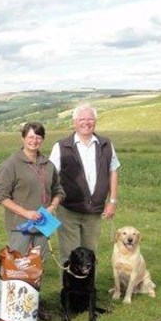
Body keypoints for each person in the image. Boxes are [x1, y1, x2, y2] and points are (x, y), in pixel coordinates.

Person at [48, 103, 120, 267]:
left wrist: (112, 202)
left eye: (90, 119)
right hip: (68, 210)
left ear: (95, 121)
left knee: (90, 255)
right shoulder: (61, 146)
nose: (86, 123)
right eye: (82, 119)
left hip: (94, 211)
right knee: (69, 255)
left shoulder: (106, 144)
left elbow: (113, 171)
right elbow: (50, 176)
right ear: (74, 122)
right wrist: (50, 204)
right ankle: (69, 285)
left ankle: (89, 285)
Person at [0, 122, 64, 259]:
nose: (34, 141)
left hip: (44, 225)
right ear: (23, 138)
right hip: (21, 226)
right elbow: (0, 196)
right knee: (18, 265)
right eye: (30, 137)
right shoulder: (10, 164)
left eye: (38, 137)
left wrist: (52, 207)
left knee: (38, 264)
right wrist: (26, 213)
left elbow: (58, 190)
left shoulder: (49, 165)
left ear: (42, 139)